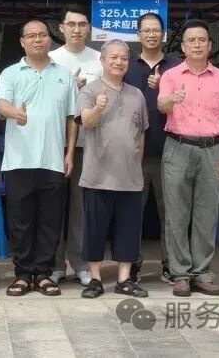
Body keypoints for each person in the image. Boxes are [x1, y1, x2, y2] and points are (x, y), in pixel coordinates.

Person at [157, 19, 219, 298]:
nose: (197, 44)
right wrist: (173, 100)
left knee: (207, 214)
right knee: (176, 214)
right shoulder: (170, 76)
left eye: (202, 40)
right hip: (178, 147)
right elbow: (161, 105)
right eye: (191, 40)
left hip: (213, 150)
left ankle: (202, 273)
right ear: (183, 46)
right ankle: (180, 274)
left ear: (210, 45)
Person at [0, 18, 78, 297]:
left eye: (42, 35)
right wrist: (14, 113)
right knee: (20, 220)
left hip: (53, 160)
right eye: (31, 36)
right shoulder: (10, 73)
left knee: (50, 220)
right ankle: (22, 274)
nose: (37, 39)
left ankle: (43, 274)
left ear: (50, 39)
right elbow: (1, 103)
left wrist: (69, 153)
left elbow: (72, 117)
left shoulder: (64, 75)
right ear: (22, 42)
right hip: (19, 160)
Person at [76, 40, 149, 299]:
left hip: (130, 177)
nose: (119, 62)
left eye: (124, 58)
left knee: (128, 231)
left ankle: (124, 279)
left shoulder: (137, 95)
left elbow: (141, 133)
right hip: (98, 175)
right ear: (102, 60)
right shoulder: (89, 90)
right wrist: (98, 107)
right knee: (94, 230)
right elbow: (86, 122)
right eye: (113, 57)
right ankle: (95, 279)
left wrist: (137, 163)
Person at [122, 12, 180, 284]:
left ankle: (170, 265)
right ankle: (132, 264)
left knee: (171, 212)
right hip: (134, 153)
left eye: (156, 30)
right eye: (146, 30)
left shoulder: (176, 67)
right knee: (133, 211)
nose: (151, 34)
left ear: (163, 34)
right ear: (138, 35)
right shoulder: (127, 65)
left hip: (171, 149)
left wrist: (164, 86)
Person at [48, 4, 102, 286]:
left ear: (89, 27)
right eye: (71, 24)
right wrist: (68, 87)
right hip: (53, 144)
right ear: (61, 28)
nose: (77, 30)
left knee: (82, 208)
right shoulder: (50, 59)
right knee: (54, 205)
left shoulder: (100, 59)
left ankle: (80, 263)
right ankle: (55, 264)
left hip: (88, 144)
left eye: (82, 24)